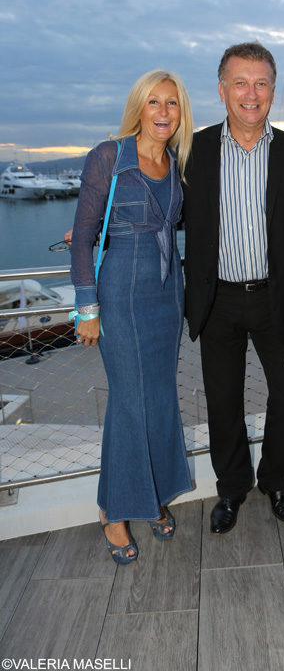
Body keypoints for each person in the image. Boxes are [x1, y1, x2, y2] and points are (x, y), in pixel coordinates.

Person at [183, 42, 284, 534]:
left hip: (278, 301)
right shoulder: (193, 151)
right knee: (223, 402)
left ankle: (276, 480)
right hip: (216, 299)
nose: (251, 93)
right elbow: (160, 212)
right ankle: (232, 487)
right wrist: (98, 227)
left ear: (273, 91)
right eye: (240, 82)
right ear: (222, 90)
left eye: (261, 83)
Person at [70, 70, 194, 563]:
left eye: (172, 103)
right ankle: (114, 509)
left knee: (160, 397)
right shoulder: (109, 156)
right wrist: (87, 307)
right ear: (139, 107)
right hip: (120, 293)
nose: (163, 112)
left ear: (181, 113)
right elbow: (83, 237)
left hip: (168, 293)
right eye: (154, 102)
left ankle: (151, 495)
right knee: (128, 401)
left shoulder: (176, 162)